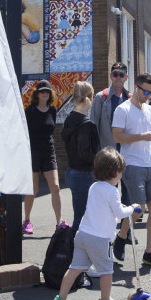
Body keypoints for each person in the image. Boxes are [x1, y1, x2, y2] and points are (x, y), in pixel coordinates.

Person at [51, 147, 143, 300]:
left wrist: (121, 206)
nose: (121, 175)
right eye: (120, 172)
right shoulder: (113, 191)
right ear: (115, 172)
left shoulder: (94, 186)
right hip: (100, 239)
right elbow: (120, 213)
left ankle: (60, 299)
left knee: (75, 268)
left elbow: (103, 206)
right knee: (107, 271)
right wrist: (132, 208)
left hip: (83, 235)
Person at [111, 73, 151, 270]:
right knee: (139, 207)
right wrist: (142, 136)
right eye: (145, 91)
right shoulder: (123, 109)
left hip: (150, 163)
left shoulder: (149, 109)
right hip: (132, 164)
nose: (148, 95)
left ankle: (150, 253)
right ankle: (121, 237)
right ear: (135, 88)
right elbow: (117, 137)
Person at [23, 80, 66, 235]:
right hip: (33, 152)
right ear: (37, 93)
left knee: (55, 186)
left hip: (48, 151)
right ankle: (27, 220)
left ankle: (59, 222)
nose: (45, 94)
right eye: (42, 92)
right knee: (33, 189)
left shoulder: (52, 109)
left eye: (47, 92)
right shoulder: (30, 111)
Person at [90, 62, 132, 205]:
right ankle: (109, 219)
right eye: (115, 74)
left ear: (126, 77)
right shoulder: (101, 97)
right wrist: (96, 151)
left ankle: (126, 222)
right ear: (111, 76)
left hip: (127, 150)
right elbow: (93, 125)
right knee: (109, 187)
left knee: (128, 186)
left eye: (121, 75)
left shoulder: (131, 98)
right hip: (108, 150)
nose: (118, 77)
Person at [61, 81, 100, 232]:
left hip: (72, 171)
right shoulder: (85, 125)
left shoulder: (69, 119)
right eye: (93, 96)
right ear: (88, 98)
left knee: (80, 214)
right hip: (83, 174)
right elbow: (86, 154)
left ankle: (76, 250)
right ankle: (75, 251)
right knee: (82, 218)